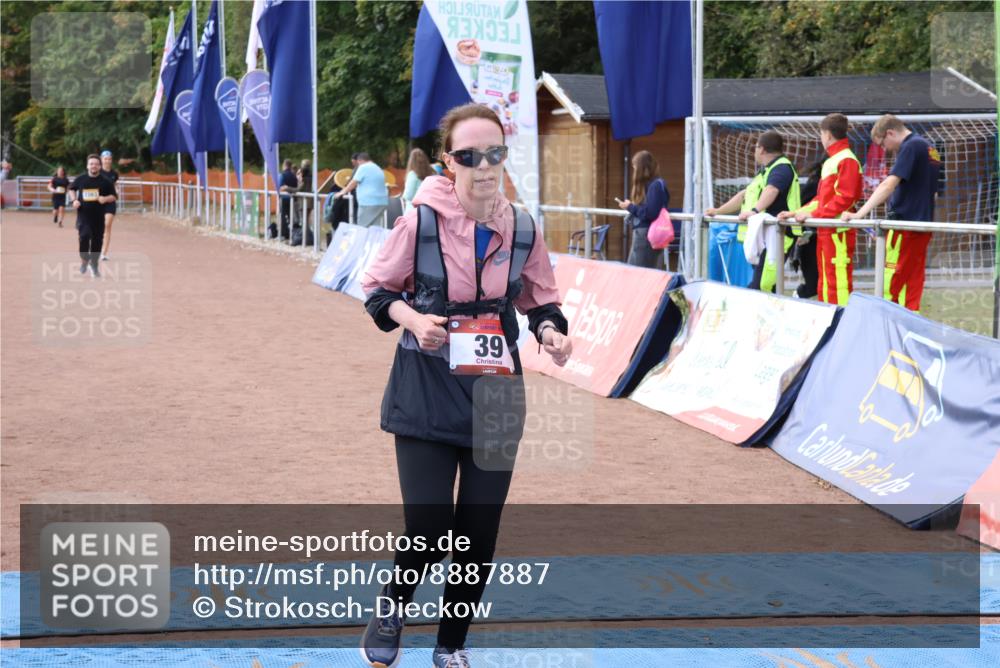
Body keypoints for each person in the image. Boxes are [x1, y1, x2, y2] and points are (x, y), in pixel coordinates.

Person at [360, 103, 572, 668]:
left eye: (494, 154)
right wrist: (414, 320)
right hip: (426, 388)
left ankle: (451, 644)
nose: (484, 166)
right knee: (430, 527)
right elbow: (377, 291)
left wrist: (550, 331)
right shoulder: (420, 223)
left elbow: (541, 300)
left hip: (496, 393)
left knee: (478, 534)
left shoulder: (522, 227)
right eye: (470, 155)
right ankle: (393, 605)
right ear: (448, 161)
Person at [842, 114, 941, 312]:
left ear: (890, 133)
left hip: (905, 227)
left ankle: (886, 321)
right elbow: (935, 193)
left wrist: (859, 214)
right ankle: (910, 322)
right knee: (912, 282)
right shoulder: (929, 148)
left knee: (891, 282)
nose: (885, 149)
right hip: (921, 225)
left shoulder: (910, 147)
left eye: (882, 144)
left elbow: (888, 184)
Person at [778, 114, 863, 305]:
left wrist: (814, 214)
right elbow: (822, 199)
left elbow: (845, 198)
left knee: (838, 282)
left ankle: (841, 319)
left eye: (821, 134)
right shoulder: (835, 160)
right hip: (828, 230)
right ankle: (830, 316)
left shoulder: (845, 159)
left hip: (838, 232)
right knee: (825, 280)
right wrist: (797, 212)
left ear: (827, 134)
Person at [706, 131, 799, 292]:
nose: (754, 151)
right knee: (763, 285)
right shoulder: (766, 171)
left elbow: (772, 190)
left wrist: (755, 211)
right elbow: (744, 195)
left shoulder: (781, 168)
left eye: (756, 147)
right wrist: (718, 211)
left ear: (761, 149)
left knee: (762, 286)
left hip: (778, 236)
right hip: (764, 237)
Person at [616, 151, 669, 269]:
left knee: (638, 271)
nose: (634, 171)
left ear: (641, 168)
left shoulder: (655, 186)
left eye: (635, 168)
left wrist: (630, 207)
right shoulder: (654, 185)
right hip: (647, 234)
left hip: (646, 235)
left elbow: (650, 213)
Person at [70, 154, 116, 277]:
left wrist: (105, 199)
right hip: (83, 215)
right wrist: (74, 200)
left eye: (96, 164)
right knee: (84, 237)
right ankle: (84, 260)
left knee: (96, 242)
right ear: (87, 166)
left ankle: (94, 265)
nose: (93, 166)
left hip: (98, 216)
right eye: (91, 164)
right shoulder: (81, 179)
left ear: (100, 166)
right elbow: (71, 189)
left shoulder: (106, 181)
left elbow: (113, 196)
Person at [334, 152, 387, 227]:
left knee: (362, 227)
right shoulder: (378, 168)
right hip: (382, 202)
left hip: (368, 202)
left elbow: (354, 182)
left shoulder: (363, 167)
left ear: (360, 161)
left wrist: (342, 192)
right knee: (375, 228)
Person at [99, 150, 119, 261]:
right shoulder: (97, 172)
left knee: (107, 225)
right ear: (101, 160)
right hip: (98, 202)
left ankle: (104, 252)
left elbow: (115, 186)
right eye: (105, 159)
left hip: (110, 202)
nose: (107, 161)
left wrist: (116, 191)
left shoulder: (114, 174)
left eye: (109, 159)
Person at [402, 148, 435, 214]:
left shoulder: (412, 175)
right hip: (429, 211)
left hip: (413, 212)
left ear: (411, 161)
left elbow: (408, 196)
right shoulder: (432, 174)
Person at [277, 159, 298, 240]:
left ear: (284, 165)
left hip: (283, 198)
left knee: (282, 216)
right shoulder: (294, 176)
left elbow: (279, 187)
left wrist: (285, 188)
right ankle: (292, 233)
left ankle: (283, 234)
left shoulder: (282, 175)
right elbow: (296, 187)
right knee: (291, 217)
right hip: (292, 199)